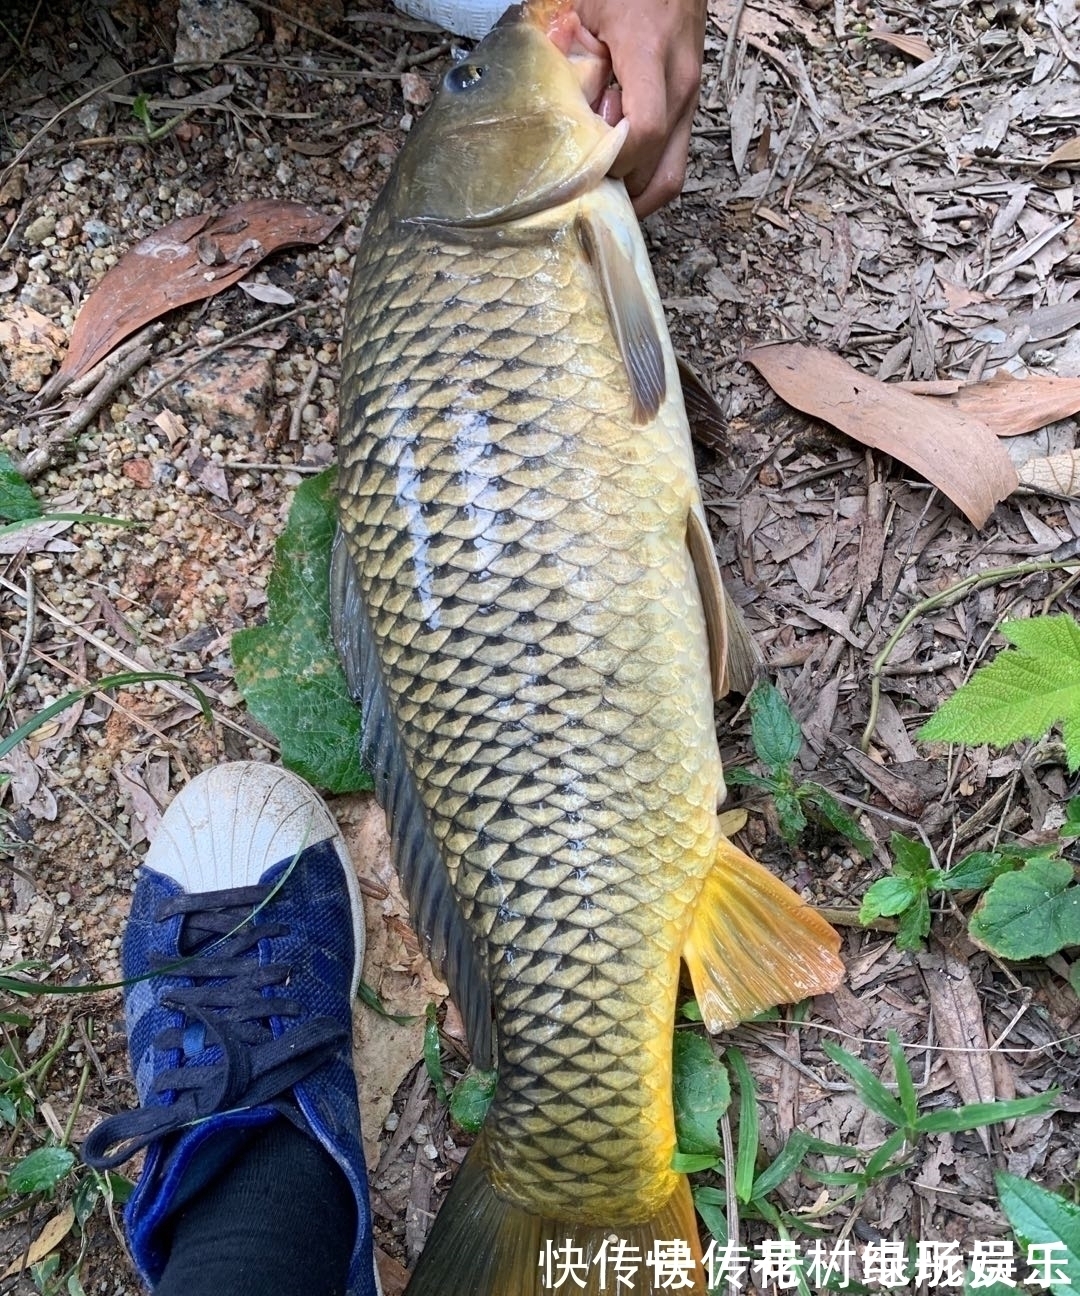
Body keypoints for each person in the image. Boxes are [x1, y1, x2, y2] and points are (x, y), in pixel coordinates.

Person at [81, 7, 709, 1291]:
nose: (526, 41)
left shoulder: (480, 243)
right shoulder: (531, 235)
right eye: (478, 76)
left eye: (467, 76)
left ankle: (255, 1197)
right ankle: (553, 1176)